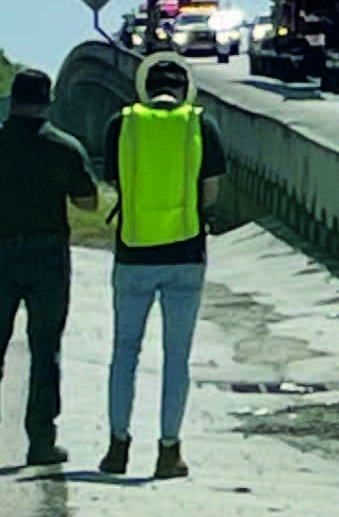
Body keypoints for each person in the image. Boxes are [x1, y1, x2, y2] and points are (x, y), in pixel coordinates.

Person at [98, 52, 226, 479]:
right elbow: (210, 192)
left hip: (133, 253)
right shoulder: (201, 125)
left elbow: (115, 179)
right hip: (185, 256)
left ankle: (117, 448)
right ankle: (169, 451)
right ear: (186, 89)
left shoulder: (122, 124)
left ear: (145, 88)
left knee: (124, 351)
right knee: (176, 356)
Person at [0, 68, 99, 466]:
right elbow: (87, 202)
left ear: (13, 99)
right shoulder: (63, 146)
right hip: (47, 256)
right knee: (45, 350)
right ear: (49, 100)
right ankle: (41, 442)